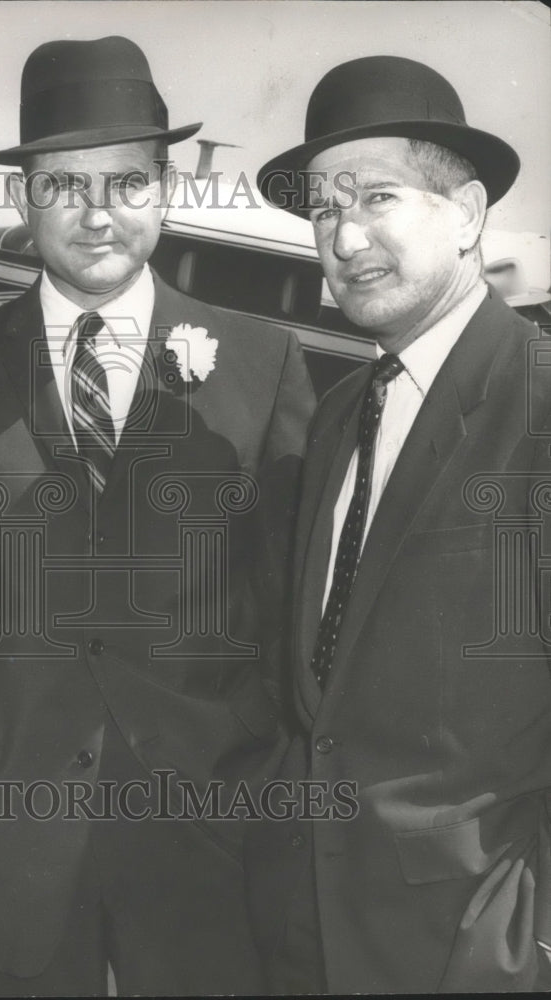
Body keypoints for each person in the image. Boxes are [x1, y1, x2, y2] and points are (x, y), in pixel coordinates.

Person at [0, 34, 314, 997]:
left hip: (207, 835)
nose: (94, 214)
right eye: (62, 185)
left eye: (124, 183)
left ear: (164, 191)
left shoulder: (261, 363)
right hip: (4, 836)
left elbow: (289, 618)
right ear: (22, 196)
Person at [248, 55, 551, 994]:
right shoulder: (340, 411)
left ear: (465, 212)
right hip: (314, 933)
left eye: (375, 197)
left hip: (477, 941)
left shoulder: (538, 403)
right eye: (323, 211)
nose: (343, 237)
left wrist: (525, 938)